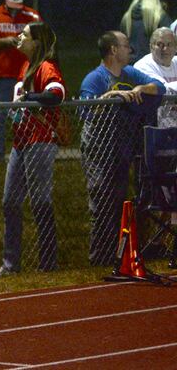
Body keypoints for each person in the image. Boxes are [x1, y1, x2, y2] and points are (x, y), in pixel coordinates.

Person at [79, 30, 165, 266]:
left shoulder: (130, 73)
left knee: (119, 203)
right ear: (113, 50)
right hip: (99, 150)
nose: (130, 50)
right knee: (101, 202)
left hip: (122, 148)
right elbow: (85, 110)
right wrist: (111, 95)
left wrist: (141, 89)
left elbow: (160, 87)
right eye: (126, 45)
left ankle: (118, 255)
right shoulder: (95, 78)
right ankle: (99, 258)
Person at [0, 22, 65, 278]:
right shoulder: (26, 65)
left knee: (40, 202)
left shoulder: (46, 66)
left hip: (40, 140)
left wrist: (29, 99)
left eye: (25, 35)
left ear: (37, 42)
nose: (19, 37)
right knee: (10, 202)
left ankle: (48, 262)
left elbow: (56, 93)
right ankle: (11, 265)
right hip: (21, 142)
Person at [0, 0, 42, 161]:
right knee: (0, 114)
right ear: (5, 0)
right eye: (12, 6)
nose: (15, 11)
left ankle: (29, 150)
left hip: (27, 73)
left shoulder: (32, 15)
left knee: (29, 113)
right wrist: (4, 41)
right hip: (3, 74)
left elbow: (42, 39)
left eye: (18, 7)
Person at [134, 27, 177, 126]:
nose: (165, 49)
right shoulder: (142, 65)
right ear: (151, 47)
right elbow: (163, 89)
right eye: (160, 44)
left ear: (176, 48)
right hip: (156, 125)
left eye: (169, 44)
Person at [120, 0, 170, 64]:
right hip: (153, 65)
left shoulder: (127, 17)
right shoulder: (159, 16)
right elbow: (170, 42)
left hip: (131, 65)